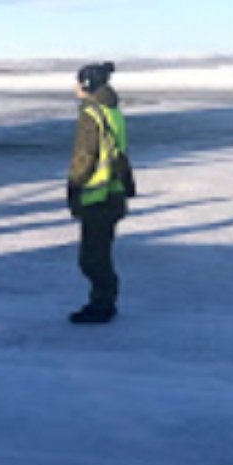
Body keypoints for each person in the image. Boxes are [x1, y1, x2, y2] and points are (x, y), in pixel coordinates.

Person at [66, 62, 135, 325]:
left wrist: (74, 188)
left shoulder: (91, 114)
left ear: (86, 85)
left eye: (77, 81)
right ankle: (104, 301)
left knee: (92, 259)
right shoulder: (112, 110)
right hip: (113, 193)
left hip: (98, 196)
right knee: (100, 254)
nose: (74, 86)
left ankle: (102, 305)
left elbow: (85, 157)